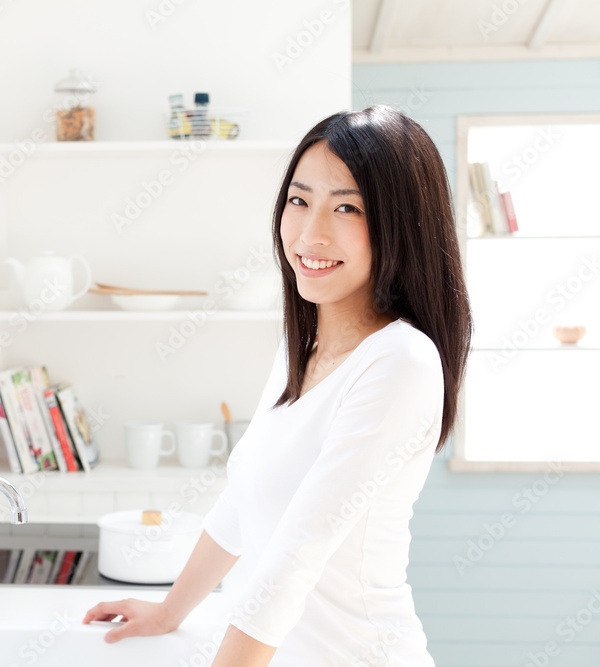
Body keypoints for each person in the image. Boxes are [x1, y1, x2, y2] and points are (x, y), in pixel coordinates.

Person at [82, 104, 473, 665]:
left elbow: (297, 557)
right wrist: (170, 611)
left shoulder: (400, 363)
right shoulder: (300, 346)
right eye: (299, 200)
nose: (311, 233)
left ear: (402, 224)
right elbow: (243, 505)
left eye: (347, 207)